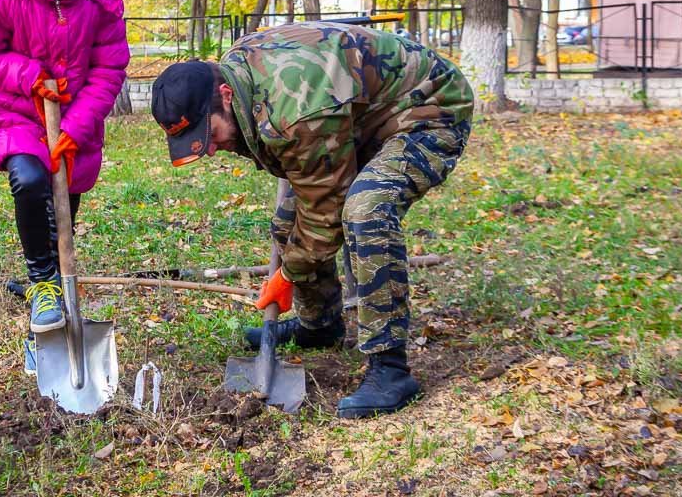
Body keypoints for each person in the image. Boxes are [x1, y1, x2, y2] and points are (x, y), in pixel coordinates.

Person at [151, 22, 473, 418]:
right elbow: (307, 188)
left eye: (210, 134)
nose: (213, 150)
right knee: (288, 223)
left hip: (427, 107)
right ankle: (320, 324)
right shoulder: (238, 73)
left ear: (225, 95)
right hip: (360, 117)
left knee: (365, 209)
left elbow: (325, 214)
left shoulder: (297, 113)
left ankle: (390, 368)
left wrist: (287, 275)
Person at [0, 0, 129, 374]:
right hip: (16, 111)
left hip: (75, 118)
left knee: (63, 210)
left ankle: (59, 292)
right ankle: (42, 286)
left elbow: (110, 66)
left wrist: (76, 128)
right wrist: (29, 75)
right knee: (31, 179)